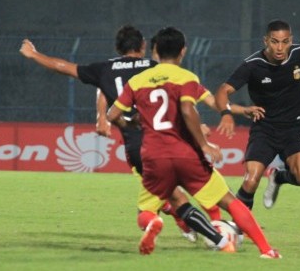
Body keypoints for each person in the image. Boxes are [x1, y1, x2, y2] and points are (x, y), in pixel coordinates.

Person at [18, 25, 231, 244]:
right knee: (194, 186)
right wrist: (195, 126)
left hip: (137, 147)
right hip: (168, 139)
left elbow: (64, 67)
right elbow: (174, 98)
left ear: (117, 48)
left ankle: (199, 230)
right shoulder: (153, 67)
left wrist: (34, 54)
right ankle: (217, 233)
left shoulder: (105, 70)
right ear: (144, 46)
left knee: (173, 196)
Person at [107, 26, 281, 258]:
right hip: (185, 154)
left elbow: (112, 116)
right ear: (183, 51)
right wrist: (206, 143)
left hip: (153, 157)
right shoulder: (186, 78)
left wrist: (133, 124)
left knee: (145, 211)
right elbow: (202, 105)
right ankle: (266, 250)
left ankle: (152, 223)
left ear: (155, 51)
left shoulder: (138, 81)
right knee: (229, 201)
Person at [214, 19, 300, 210]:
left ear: (290, 41)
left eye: (285, 41)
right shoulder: (253, 65)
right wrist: (226, 113)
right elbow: (222, 91)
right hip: (264, 129)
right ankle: (238, 228)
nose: (280, 47)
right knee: (250, 181)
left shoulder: (298, 53)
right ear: (265, 41)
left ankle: (278, 176)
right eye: (274, 41)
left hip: (295, 128)